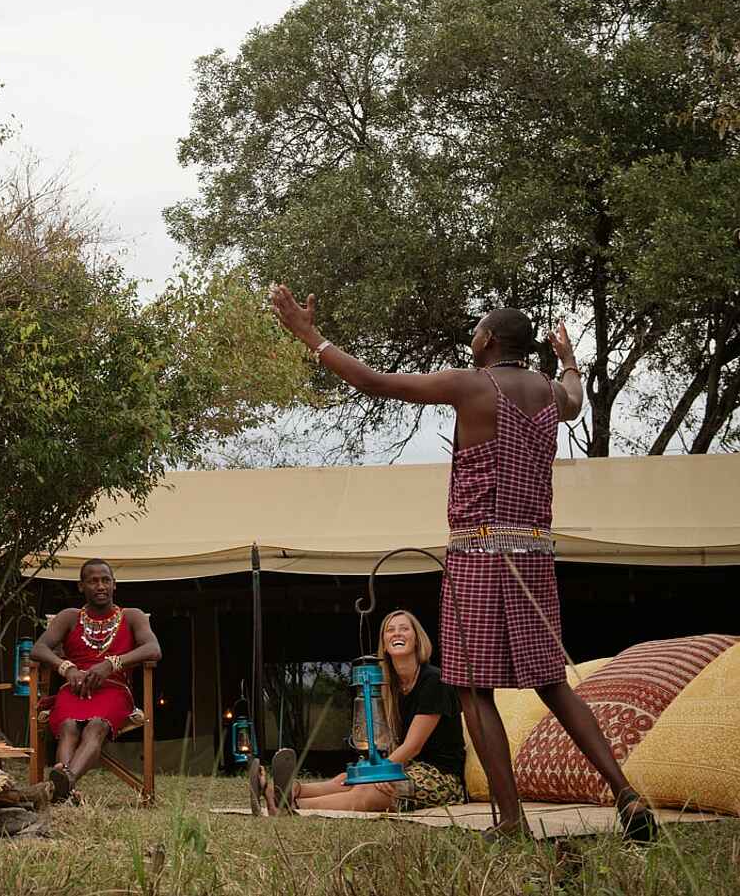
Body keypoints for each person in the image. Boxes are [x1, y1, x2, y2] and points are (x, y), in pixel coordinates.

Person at [269, 287, 658, 840]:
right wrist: (569, 358)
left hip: (478, 554)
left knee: (473, 690)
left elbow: (375, 381)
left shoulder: (473, 384)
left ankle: (511, 821)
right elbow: (575, 393)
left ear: (490, 340)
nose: (471, 337)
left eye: (476, 330)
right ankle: (626, 795)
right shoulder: (550, 393)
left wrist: (310, 336)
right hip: (535, 554)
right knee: (553, 684)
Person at [252, 610, 466, 815]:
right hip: (406, 766)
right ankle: (283, 791)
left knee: (371, 789)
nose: (397, 633)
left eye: (404, 629)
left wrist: (381, 772)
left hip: (441, 776)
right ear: (384, 644)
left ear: (417, 639)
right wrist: (371, 772)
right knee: (347, 779)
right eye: (390, 630)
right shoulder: (389, 685)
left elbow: (413, 746)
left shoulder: (434, 681)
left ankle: (293, 807)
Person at [30, 558, 162, 803]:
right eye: (93, 581)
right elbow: (38, 649)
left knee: (96, 726)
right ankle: (66, 790)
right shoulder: (69, 617)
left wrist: (111, 664)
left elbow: (153, 649)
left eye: (105, 580)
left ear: (114, 585)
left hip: (113, 690)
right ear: (81, 586)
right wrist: (67, 668)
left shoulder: (132, 616)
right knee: (68, 726)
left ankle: (63, 783)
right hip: (74, 689)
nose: (100, 586)